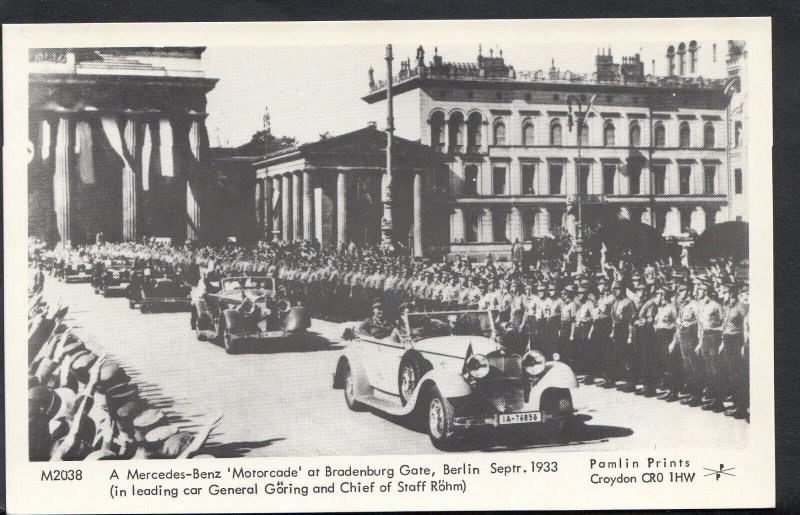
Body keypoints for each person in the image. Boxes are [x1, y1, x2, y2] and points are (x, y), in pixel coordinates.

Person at [719, 280, 748, 419]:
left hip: (737, 341)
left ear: (731, 294)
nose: (721, 294)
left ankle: (742, 408)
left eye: (724, 292)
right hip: (728, 341)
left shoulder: (740, 307)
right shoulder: (726, 306)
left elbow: (745, 326)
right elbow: (724, 325)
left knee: (738, 375)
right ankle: (736, 403)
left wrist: (743, 344)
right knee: (730, 373)